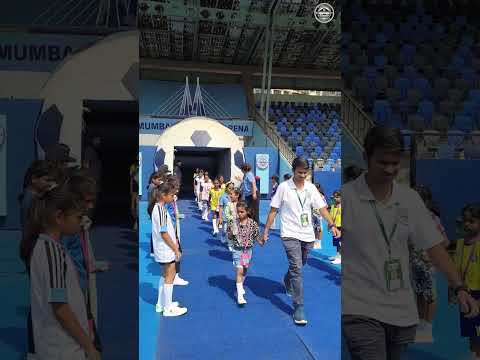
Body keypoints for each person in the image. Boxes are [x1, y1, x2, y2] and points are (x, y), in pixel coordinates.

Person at [341, 125, 479, 359]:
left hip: (401, 311)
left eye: (395, 163)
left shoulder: (410, 199)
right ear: (366, 157)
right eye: (382, 162)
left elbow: (435, 247)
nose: (389, 169)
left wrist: (460, 288)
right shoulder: (347, 198)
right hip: (360, 309)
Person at [20, 186, 101, 360]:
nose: (81, 222)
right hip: (62, 349)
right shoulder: (52, 252)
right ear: (59, 217)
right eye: (77, 217)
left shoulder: (49, 247)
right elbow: (60, 307)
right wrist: (88, 346)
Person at [262, 157, 341, 325]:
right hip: (289, 233)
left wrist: (332, 224)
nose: (302, 176)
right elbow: (273, 210)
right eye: (300, 172)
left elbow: (322, 208)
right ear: (293, 171)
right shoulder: (284, 187)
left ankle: (287, 278)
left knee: (301, 263)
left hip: (308, 234)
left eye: (305, 173)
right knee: (297, 268)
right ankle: (298, 306)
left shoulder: (311, 188)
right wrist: (266, 230)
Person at [410, 185, 449, 343]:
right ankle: (420, 322)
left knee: (430, 295)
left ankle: (428, 327)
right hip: (414, 264)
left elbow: (445, 241)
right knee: (419, 293)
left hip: (428, 265)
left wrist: (429, 253)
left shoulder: (431, 218)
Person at [149, 184, 187, 317]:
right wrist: (176, 249)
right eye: (171, 195)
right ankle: (168, 307)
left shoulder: (160, 208)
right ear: (163, 196)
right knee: (170, 276)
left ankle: (161, 303)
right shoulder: (160, 209)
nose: (173, 197)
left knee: (165, 275)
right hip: (165, 249)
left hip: (164, 248)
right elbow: (164, 233)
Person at [454, 203, 480, 359]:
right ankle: (474, 354)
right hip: (465, 293)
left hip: (478, 294)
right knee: (471, 331)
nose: (467, 224)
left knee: (479, 330)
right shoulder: (460, 244)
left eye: (472, 221)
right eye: (465, 221)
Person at [227, 201, 261, 305]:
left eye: (242, 212)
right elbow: (229, 237)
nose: (239, 214)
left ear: (248, 211)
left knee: (245, 269)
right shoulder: (234, 223)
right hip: (237, 249)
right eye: (238, 212)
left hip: (248, 250)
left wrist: (261, 241)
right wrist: (230, 233)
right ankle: (240, 296)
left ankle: (240, 285)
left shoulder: (253, 224)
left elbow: (256, 236)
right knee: (239, 271)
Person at [224, 188, 241, 252]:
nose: (230, 195)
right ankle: (230, 244)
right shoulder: (229, 204)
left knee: (238, 235)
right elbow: (227, 213)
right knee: (230, 234)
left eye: (231, 194)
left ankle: (237, 246)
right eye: (229, 194)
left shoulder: (240, 204)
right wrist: (232, 218)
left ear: (237, 195)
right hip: (231, 222)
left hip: (239, 222)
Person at [329, 190, 342, 265]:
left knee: (340, 243)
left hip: (341, 227)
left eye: (337, 197)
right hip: (334, 226)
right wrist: (330, 225)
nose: (335, 198)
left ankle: (340, 257)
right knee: (336, 242)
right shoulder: (333, 206)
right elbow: (331, 216)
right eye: (334, 197)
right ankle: (337, 255)